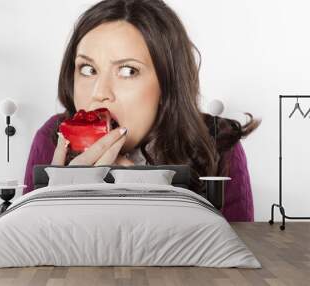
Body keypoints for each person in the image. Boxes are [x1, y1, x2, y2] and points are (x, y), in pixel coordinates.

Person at [23, 0, 261, 222]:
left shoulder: (218, 144)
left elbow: (235, 254)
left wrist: (144, 197)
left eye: (128, 71)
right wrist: (55, 204)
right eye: (87, 69)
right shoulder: (53, 138)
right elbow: (25, 251)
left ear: (167, 86)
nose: (99, 92)